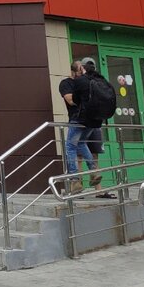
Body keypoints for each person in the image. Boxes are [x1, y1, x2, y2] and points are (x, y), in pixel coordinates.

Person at [60, 59, 99, 194]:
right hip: (91, 120)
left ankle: (75, 180)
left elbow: (71, 101)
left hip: (79, 119)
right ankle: (93, 172)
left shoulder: (72, 83)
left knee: (70, 147)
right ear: (74, 71)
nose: (82, 72)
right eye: (80, 69)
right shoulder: (84, 82)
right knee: (81, 143)